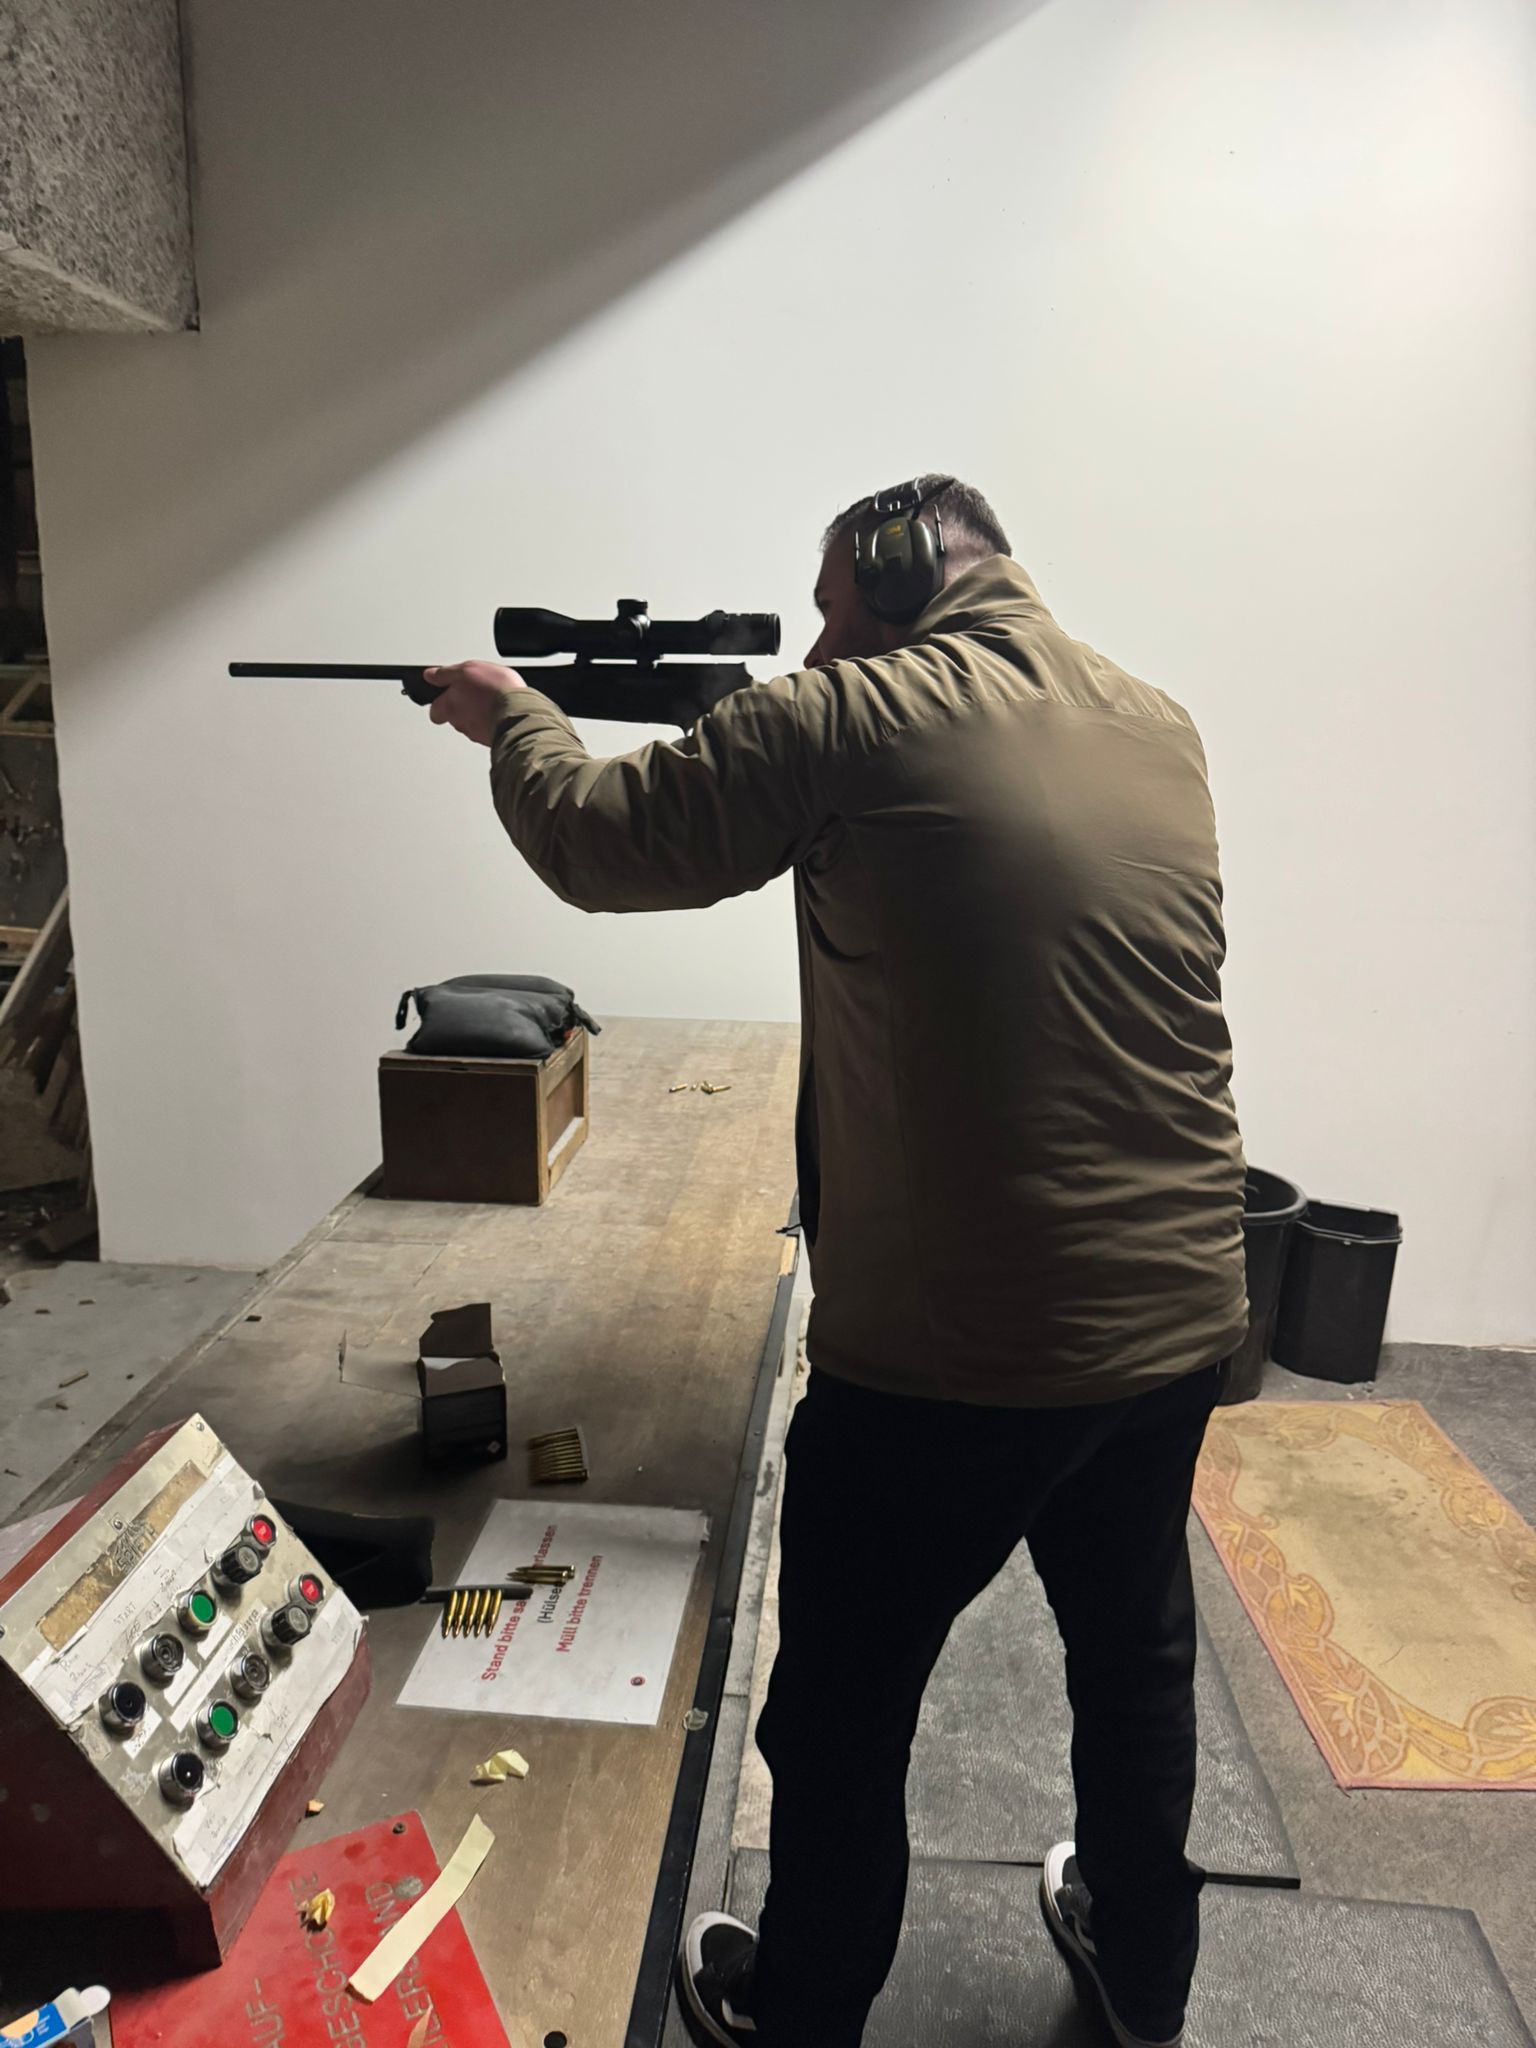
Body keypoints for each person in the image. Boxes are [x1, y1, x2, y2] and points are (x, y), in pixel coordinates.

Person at [425, 475, 1248, 2048]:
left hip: (960, 1356)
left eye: (827, 607)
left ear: (894, 568)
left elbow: (597, 839)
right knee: (1135, 1658)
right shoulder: (1160, 724)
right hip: (1182, 1317)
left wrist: (510, 715)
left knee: (841, 1711)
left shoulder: (846, 719)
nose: (812, 644)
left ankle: (801, 2007)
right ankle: (1147, 1972)